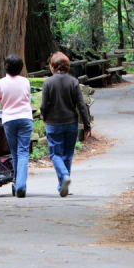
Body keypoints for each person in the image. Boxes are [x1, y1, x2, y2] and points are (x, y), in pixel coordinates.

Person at [0, 54, 33, 197]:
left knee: (14, 152)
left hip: (9, 120)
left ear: (6, 68)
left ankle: (18, 182)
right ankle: (20, 184)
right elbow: (28, 98)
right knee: (23, 152)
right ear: (21, 68)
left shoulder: (1, 83)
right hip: (26, 119)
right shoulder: (25, 82)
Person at [40, 51, 91, 197]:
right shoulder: (73, 82)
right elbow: (81, 105)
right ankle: (62, 184)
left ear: (52, 66)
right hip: (71, 123)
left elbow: (44, 105)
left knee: (55, 154)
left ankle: (64, 176)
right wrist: (87, 125)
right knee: (68, 155)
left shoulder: (48, 82)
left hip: (53, 123)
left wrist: (44, 116)